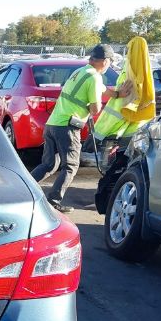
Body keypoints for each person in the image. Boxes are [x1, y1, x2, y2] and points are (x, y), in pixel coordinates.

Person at [30, 44, 132, 213]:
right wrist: (103, 107)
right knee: (70, 165)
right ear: (106, 61)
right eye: (110, 62)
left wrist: (116, 94)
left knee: (48, 164)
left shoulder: (81, 72)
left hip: (52, 124)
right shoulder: (95, 77)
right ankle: (54, 201)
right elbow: (94, 109)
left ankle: (24, 191)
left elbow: (102, 90)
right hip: (67, 128)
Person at [86, 36, 156, 167]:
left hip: (119, 129)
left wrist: (98, 134)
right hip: (137, 126)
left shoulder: (128, 76)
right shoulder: (145, 74)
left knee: (114, 166)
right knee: (126, 164)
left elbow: (118, 108)